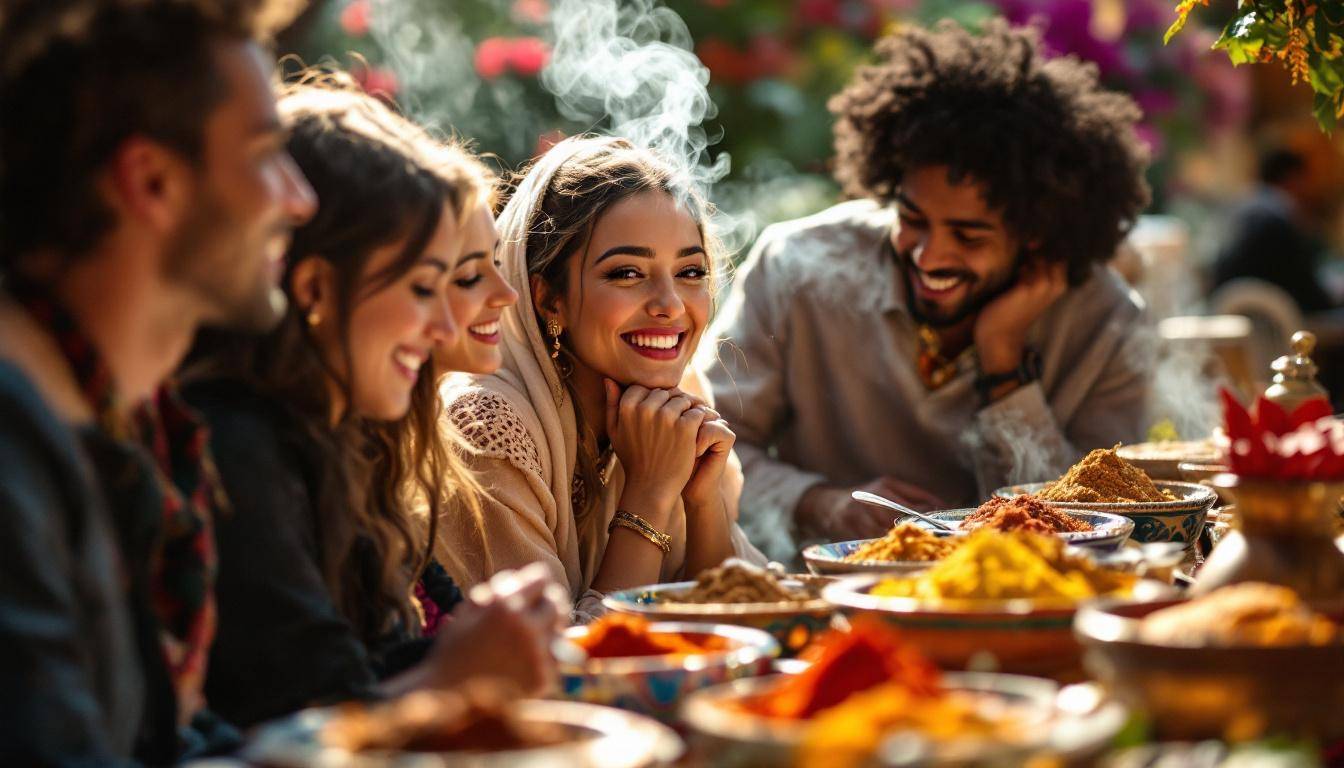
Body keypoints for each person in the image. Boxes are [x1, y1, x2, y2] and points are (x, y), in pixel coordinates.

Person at [183, 79, 564, 728]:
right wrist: (454, 673)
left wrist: (485, 640)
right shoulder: (238, 448)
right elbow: (296, 720)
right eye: (426, 287)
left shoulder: (339, 442)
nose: (444, 328)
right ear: (314, 290)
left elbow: (379, 663)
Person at [700, 20, 1153, 558]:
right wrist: (820, 503)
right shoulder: (796, 265)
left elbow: (1102, 526)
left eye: (968, 235)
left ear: (1035, 235)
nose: (929, 255)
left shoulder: (1107, 324)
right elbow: (707, 448)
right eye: (912, 218)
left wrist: (1003, 362)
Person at [0, 0, 316, 763]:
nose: (300, 199)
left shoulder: (123, 426)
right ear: (151, 182)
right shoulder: (14, 441)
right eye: (267, 153)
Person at [439, 136, 764, 622]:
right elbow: (563, 664)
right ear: (549, 298)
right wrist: (651, 494)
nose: (670, 305)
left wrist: (700, 500)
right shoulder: (485, 427)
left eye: (690, 271)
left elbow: (746, 619)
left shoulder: (679, 403)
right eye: (628, 273)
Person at [1212, 144, 1338, 315]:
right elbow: (1305, 288)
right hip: (1273, 323)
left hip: (1234, 315)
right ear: (1292, 177)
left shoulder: (1242, 208)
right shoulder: (1274, 218)